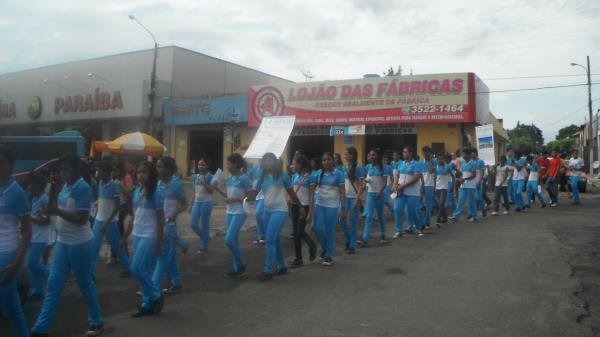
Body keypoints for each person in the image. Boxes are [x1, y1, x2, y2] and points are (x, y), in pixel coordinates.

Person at [31, 153, 104, 337]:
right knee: (53, 286)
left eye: (67, 169)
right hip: (62, 242)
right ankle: (40, 328)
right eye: (61, 169)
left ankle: (96, 320)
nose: (63, 173)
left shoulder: (83, 188)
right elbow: (59, 209)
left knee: (85, 283)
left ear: (76, 169)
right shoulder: (64, 186)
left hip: (80, 243)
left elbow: (82, 219)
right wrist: (49, 205)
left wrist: (57, 210)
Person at [120, 161, 165, 317]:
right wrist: (125, 236)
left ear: (151, 174)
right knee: (145, 270)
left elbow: (161, 220)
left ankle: (156, 295)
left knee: (136, 268)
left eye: (144, 172)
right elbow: (133, 217)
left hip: (150, 235)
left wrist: (159, 242)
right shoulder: (137, 191)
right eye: (138, 172)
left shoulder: (157, 193)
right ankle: (147, 304)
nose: (140, 175)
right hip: (137, 234)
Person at [250, 153, 304, 280]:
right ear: (263, 163)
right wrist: (245, 193)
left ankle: (267, 271)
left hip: (280, 211)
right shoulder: (262, 177)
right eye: (266, 160)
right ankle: (282, 266)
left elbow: (292, 193)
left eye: (271, 160)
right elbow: (254, 194)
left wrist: (300, 206)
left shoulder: (283, 176)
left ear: (275, 162)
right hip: (267, 211)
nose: (268, 162)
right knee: (274, 240)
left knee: (269, 239)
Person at [0, 144, 32, 337]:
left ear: (10, 166)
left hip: (7, 253)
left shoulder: (16, 192)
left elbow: (27, 231)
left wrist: (16, 263)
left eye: (1, 162)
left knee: (11, 306)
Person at [153, 157, 187, 295]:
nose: (157, 169)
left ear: (168, 168)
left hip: (169, 225)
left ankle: (153, 287)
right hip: (158, 224)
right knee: (169, 256)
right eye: (157, 166)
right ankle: (177, 282)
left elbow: (184, 204)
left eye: (160, 166)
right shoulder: (158, 184)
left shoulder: (176, 184)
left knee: (163, 256)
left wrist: (174, 213)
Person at [91, 159, 130, 276]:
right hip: (99, 220)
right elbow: (102, 202)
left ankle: (128, 267)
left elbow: (117, 206)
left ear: (107, 172)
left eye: (100, 171)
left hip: (111, 222)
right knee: (93, 247)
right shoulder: (100, 183)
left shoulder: (114, 185)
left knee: (117, 246)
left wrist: (107, 223)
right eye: (97, 171)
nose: (98, 174)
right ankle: (90, 272)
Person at [216, 153, 251, 279]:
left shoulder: (244, 179)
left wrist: (236, 199)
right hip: (230, 211)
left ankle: (241, 263)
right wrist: (218, 189)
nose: (227, 166)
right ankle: (237, 269)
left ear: (235, 164)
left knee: (229, 239)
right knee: (233, 240)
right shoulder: (230, 179)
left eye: (229, 163)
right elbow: (228, 196)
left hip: (240, 211)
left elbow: (250, 196)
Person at [308, 152, 346, 266]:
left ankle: (329, 255)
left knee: (330, 230)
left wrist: (343, 209)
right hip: (319, 205)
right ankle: (326, 248)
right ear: (322, 162)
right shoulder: (318, 174)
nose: (327, 162)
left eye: (329, 159)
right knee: (316, 227)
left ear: (333, 161)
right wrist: (310, 210)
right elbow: (311, 193)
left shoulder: (339, 174)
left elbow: (342, 192)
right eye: (324, 160)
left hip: (333, 206)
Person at [26, 171, 50, 302]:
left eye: (31, 184)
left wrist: (30, 218)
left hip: (41, 237)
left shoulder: (44, 199)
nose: (29, 186)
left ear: (38, 185)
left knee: (32, 262)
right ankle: (38, 290)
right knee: (33, 264)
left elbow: (47, 221)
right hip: (33, 236)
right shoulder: (34, 198)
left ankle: (52, 276)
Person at [289, 154, 317, 267]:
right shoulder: (294, 176)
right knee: (296, 234)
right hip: (294, 206)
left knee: (299, 232)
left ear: (300, 164)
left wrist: (310, 211)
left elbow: (311, 195)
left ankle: (312, 245)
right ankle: (298, 259)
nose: (293, 165)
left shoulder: (310, 177)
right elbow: (292, 191)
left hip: (304, 207)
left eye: (295, 163)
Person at [358, 149, 388, 246]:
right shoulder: (368, 167)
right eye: (370, 155)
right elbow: (367, 178)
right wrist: (365, 182)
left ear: (377, 156)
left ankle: (383, 234)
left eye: (373, 155)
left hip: (380, 194)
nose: (371, 157)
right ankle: (365, 238)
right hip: (370, 194)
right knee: (369, 216)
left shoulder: (383, 168)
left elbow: (385, 182)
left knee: (380, 215)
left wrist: (380, 191)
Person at [340, 147, 365, 254]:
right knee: (341, 220)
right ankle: (349, 240)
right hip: (345, 198)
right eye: (344, 154)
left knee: (353, 223)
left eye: (347, 154)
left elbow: (361, 185)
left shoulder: (359, 168)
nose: (345, 156)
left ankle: (352, 246)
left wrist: (357, 199)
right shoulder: (343, 168)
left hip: (354, 198)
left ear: (352, 155)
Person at [394, 146, 423, 237]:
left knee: (412, 212)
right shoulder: (400, 164)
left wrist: (403, 186)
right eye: (403, 152)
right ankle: (399, 231)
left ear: (410, 153)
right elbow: (396, 176)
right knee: (397, 210)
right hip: (400, 192)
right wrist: (395, 185)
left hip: (412, 193)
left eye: (406, 152)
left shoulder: (416, 164)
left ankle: (419, 228)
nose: (404, 154)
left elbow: (416, 178)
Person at [189, 159, 214, 254]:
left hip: (206, 203)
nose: (200, 167)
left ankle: (203, 247)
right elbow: (193, 191)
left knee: (204, 225)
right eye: (199, 165)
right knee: (193, 224)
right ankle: (205, 238)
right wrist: (190, 205)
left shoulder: (210, 177)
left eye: (203, 165)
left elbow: (211, 191)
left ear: (207, 166)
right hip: (197, 203)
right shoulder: (196, 177)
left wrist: (204, 182)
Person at [449, 148, 478, 222]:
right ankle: (456, 217)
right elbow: (461, 174)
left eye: (464, 154)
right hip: (463, 186)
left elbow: (474, 175)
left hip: (471, 186)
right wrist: (459, 177)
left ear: (468, 154)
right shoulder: (463, 164)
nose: (462, 155)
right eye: (462, 154)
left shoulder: (473, 163)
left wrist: (464, 179)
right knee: (460, 201)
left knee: (471, 202)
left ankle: (474, 217)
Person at [248, 161, 266, 245]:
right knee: (258, 215)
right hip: (256, 194)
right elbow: (248, 178)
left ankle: (264, 236)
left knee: (259, 213)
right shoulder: (254, 169)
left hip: (264, 194)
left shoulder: (268, 170)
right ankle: (261, 237)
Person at [434, 153, 453, 226]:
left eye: (441, 159)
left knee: (441, 203)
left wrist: (452, 186)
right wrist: (434, 188)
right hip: (437, 188)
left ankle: (438, 220)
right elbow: (435, 178)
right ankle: (445, 218)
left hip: (444, 188)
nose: (440, 160)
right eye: (438, 159)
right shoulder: (436, 168)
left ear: (444, 159)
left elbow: (453, 176)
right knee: (441, 205)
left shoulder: (447, 167)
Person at [421, 146, 436, 227]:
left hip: (430, 185)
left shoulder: (434, 162)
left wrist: (430, 160)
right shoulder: (421, 162)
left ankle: (427, 222)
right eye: (424, 152)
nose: (426, 154)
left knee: (428, 205)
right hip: (422, 186)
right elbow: (420, 175)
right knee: (421, 205)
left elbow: (430, 171)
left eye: (427, 152)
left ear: (430, 153)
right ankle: (422, 221)